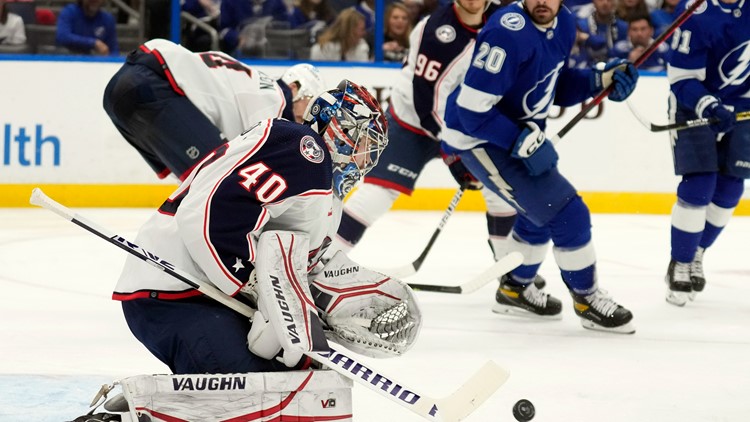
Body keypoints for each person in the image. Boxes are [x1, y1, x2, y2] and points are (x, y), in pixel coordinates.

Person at [70, 80, 422, 421]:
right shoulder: (303, 148)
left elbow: (305, 263)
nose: (366, 157)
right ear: (338, 129)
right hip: (176, 291)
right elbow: (208, 212)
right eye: (363, 142)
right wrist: (251, 282)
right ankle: (126, 415)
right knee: (261, 395)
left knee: (311, 386)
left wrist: (346, 297)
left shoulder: (327, 194)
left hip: (209, 298)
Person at [443, 0, 639, 333]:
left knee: (541, 212)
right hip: (478, 139)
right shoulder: (507, 31)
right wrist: (519, 139)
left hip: (510, 133)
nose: (542, 2)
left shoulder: (563, 23)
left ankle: (515, 289)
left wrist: (598, 79)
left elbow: (553, 86)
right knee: (568, 214)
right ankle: (587, 298)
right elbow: (472, 111)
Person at [325, 0, 547, 288]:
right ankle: (324, 261)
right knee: (380, 192)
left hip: (468, 121)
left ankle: (512, 275)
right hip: (414, 122)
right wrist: (455, 152)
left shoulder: (503, 20)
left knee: (498, 187)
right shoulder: (437, 32)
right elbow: (425, 100)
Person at [103, 38, 327, 181]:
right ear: (295, 87)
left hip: (126, 89)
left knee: (203, 186)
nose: (308, 116)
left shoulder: (254, 83)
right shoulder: (274, 100)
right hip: (154, 86)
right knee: (218, 183)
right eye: (310, 102)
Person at [663, 0, 750, 306]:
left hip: (744, 107)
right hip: (695, 106)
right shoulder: (695, 12)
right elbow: (681, 79)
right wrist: (710, 105)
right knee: (699, 185)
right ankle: (681, 262)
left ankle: (697, 251)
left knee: (729, 189)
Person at [570, 0, 628, 68]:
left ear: (614, 3)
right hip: (587, 69)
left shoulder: (623, 27)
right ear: (594, 2)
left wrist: (589, 38)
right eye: (600, 0)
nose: (605, 3)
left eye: (609, 0)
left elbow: (621, 52)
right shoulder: (581, 25)